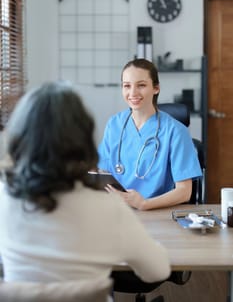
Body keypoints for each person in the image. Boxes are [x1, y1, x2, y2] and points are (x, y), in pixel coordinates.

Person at [0, 81, 170, 291]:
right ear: (83, 138)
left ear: (19, 136)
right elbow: (157, 271)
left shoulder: (4, 198)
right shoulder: (108, 208)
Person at [98, 58, 202, 210]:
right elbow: (102, 172)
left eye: (141, 85)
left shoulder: (176, 131)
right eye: (127, 86)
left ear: (156, 88)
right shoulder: (114, 125)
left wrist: (144, 204)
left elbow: (184, 192)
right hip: (117, 210)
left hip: (158, 212)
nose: (133, 93)